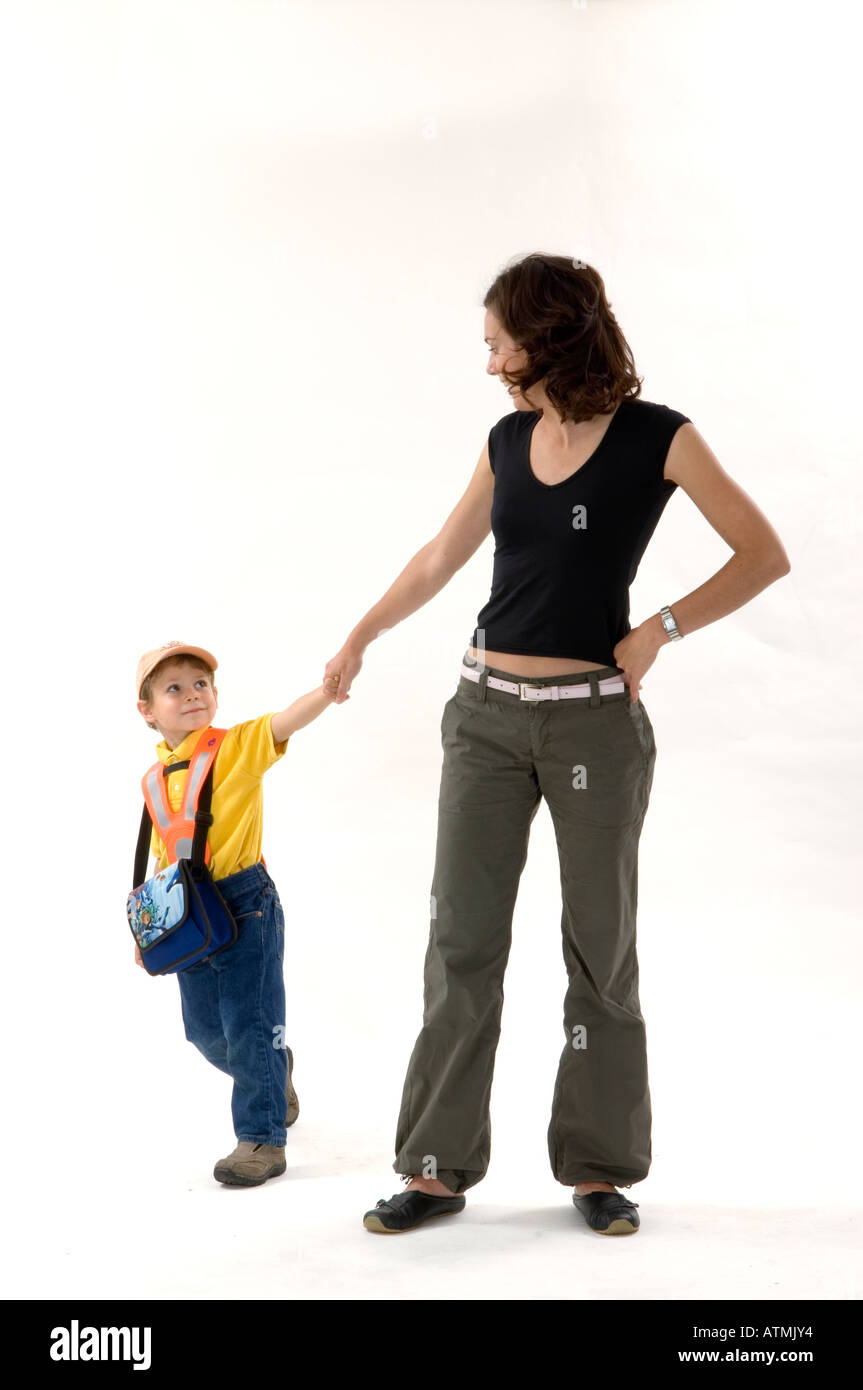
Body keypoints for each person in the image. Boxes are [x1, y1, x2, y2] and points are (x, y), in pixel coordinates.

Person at [321, 253, 791, 1235]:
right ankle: (436, 1168)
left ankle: (597, 1166)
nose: (487, 356)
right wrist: (360, 634)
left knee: (598, 951)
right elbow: (438, 557)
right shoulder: (503, 440)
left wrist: (657, 629)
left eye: (496, 337)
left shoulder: (658, 437)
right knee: (461, 942)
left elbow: (761, 552)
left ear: (544, 335)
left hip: (593, 727)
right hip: (483, 719)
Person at [134, 640, 338, 1187]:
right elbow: (162, 856)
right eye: (173, 687)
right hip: (187, 914)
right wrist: (148, 929)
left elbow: (285, 721)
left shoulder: (236, 747)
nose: (191, 694)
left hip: (246, 905)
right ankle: (277, 1071)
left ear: (216, 696)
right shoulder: (155, 780)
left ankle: (261, 1140)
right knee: (204, 1033)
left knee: (250, 1027)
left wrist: (325, 690)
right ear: (147, 710)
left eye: (200, 684)